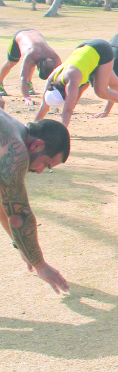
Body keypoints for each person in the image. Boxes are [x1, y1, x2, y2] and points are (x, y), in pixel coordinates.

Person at [0, 111, 71, 295]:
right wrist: (40, 265)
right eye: (45, 164)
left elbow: (4, 203)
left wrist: (22, 247)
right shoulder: (15, 150)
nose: (40, 171)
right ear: (37, 145)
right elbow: (19, 216)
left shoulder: (11, 126)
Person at [35, 39, 118, 128]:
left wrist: (63, 132)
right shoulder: (51, 79)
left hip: (101, 50)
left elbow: (67, 110)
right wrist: (33, 128)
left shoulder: (71, 80)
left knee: (100, 91)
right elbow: (44, 106)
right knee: (115, 84)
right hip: (85, 49)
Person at [0, 29, 61, 105]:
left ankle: (29, 84)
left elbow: (60, 76)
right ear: (38, 65)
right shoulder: (30, 55)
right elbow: (22, 78)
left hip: (35, 33)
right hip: (20, 35)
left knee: (31, 63)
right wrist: (27, 98)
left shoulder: (54, 57)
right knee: (12, 62)